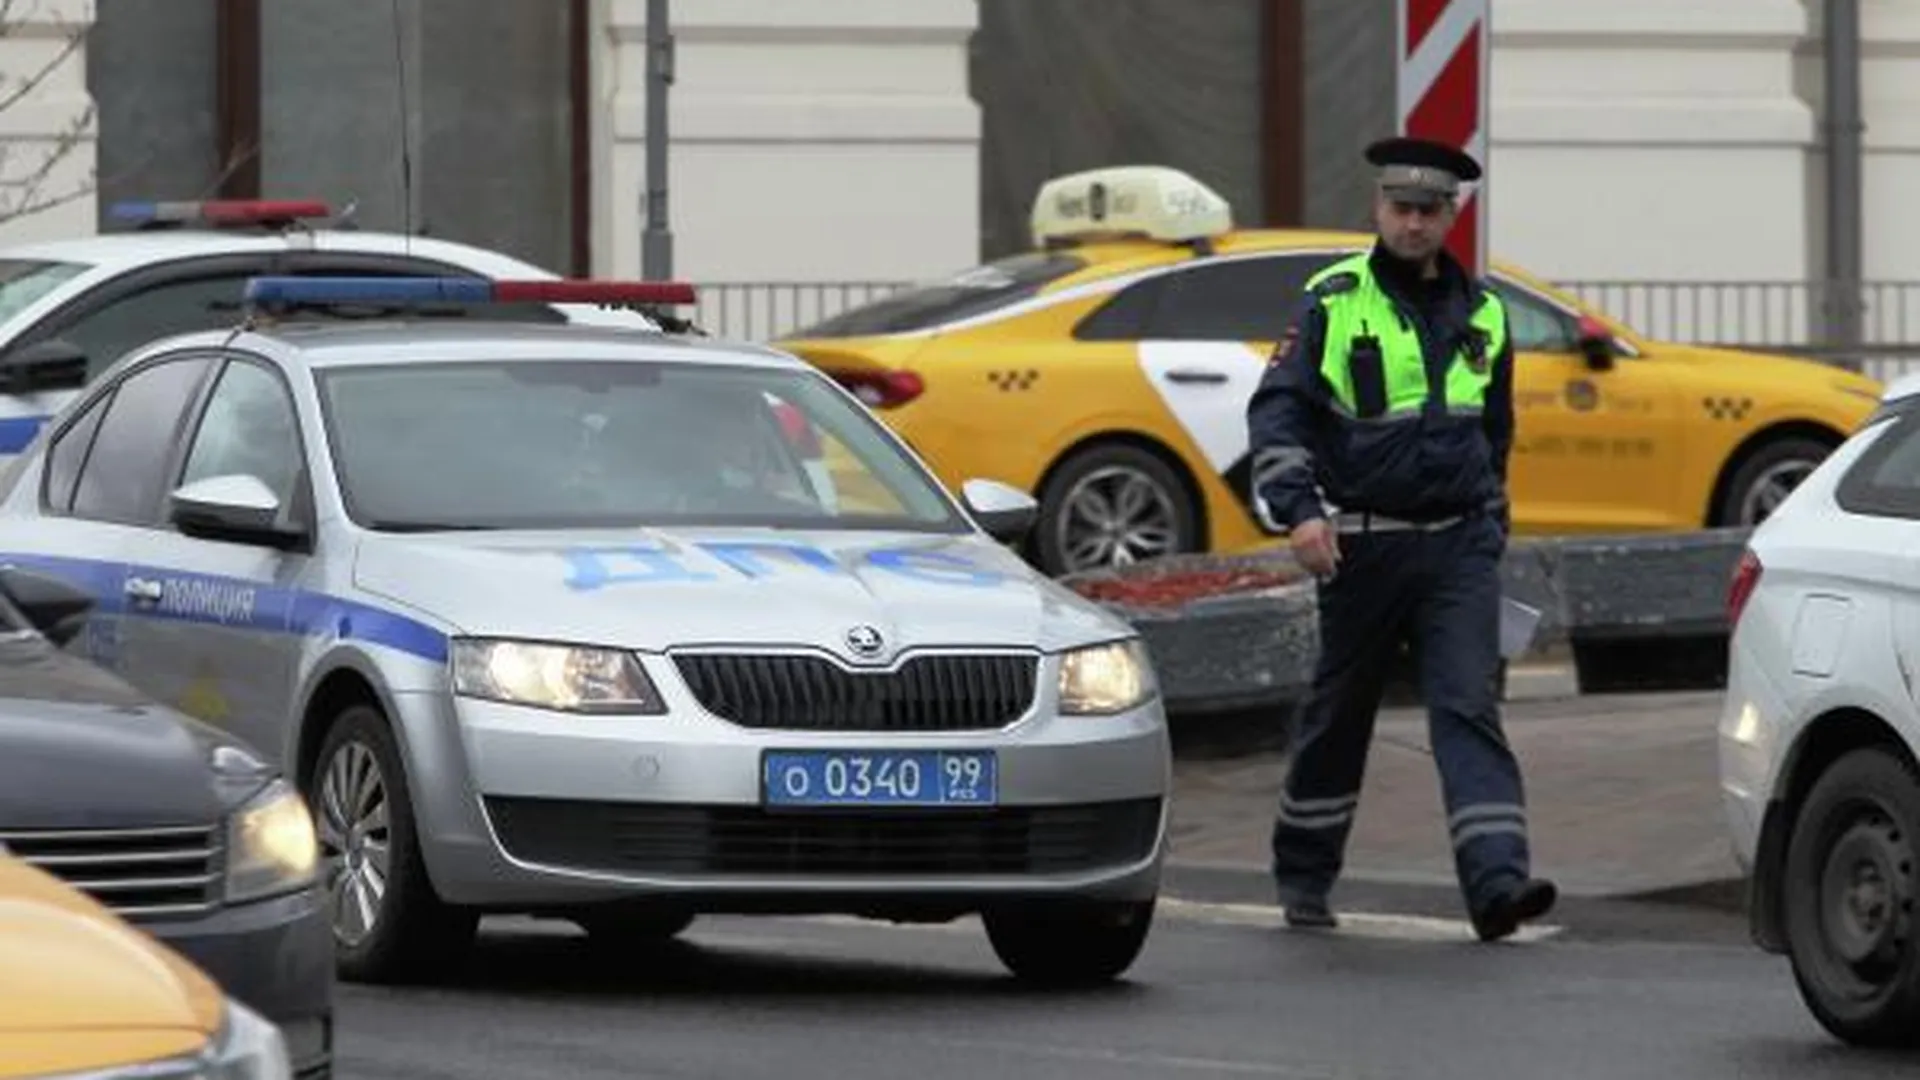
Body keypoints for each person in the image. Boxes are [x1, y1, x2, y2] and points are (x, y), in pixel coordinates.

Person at [1244, 135, 1557, 943]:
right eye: (1400, 208)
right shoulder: (1334, 300)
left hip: (1457, 548)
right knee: (1338, 715)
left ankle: (1498, 885)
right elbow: (1279, 413)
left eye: (1428, 210)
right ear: (1379, 209)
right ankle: (1304, 875)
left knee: (1468, 709)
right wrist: (1300, 511)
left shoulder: (1484, 313)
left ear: (1452, 215)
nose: (1413, 223)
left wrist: (1492, 527)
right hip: (1361, 548)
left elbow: (1495, 433)